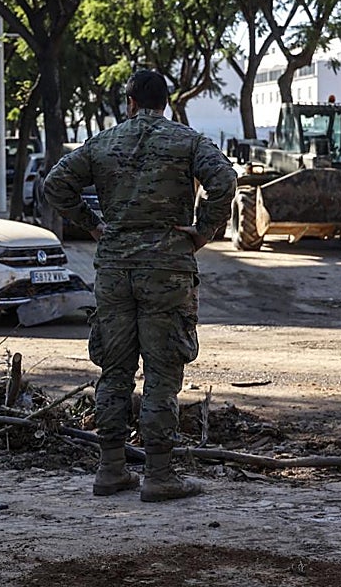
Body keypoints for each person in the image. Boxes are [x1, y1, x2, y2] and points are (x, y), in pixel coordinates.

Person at [42, 68, 236, 502]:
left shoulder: (103, 142)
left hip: (114, 267)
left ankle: (110, 467)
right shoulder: (186, 141)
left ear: (129, 102)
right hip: (167, 267)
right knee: (163, 371)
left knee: (114, 369)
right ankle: (159, 473)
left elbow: (56, 184)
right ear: (164, 103)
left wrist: (93, 225)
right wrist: (203, 231)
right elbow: (223, 181)